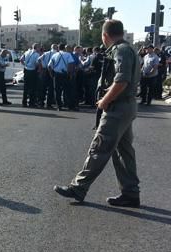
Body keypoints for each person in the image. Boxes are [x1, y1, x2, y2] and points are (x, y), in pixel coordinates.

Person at [54, 19, 141, 208]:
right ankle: (131, 193)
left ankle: (78, 187)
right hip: (127, 106)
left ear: (105, 35)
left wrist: (105, 101)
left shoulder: (121, 50)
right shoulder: (129, 48)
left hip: (117, 107)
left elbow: (121, 80)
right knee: (123, 152)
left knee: (99, 148)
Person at [48, 44, 74, 111]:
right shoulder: (68, 54)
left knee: (57, 91)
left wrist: (51, 74)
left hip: (56, 75)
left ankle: (59, 106)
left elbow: (49, 66)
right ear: (64, 48)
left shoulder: (54, 55)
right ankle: (69, 105)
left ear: (58, 48)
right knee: (67, 91)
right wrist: (70, 74)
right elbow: (71, 64)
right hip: (65, 74)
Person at [21, 43, 41, 108]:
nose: (40, 48)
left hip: (26, 70)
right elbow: (38, 63)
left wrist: (25, 65)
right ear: (36, 47)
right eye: (39, 47)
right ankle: (31, 103)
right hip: (33, 71)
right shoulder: (37, 54)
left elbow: (21, 60)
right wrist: (38, 69)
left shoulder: (27, 52)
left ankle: (24, 102)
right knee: (33, 88)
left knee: (26, 87)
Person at [38, 44, 58, 109]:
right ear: (56, 48)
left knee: (43, 87)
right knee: (51, 88)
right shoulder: (57, 54)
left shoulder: (46, 53)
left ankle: (41, 102)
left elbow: (39, 59)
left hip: (45, 70)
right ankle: (49, 104)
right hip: (52, 71)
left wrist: (42, 67)